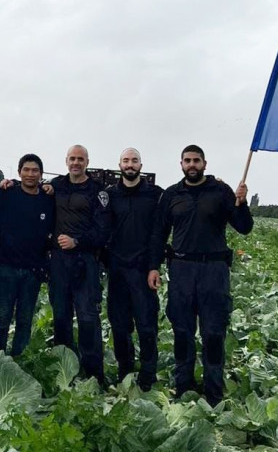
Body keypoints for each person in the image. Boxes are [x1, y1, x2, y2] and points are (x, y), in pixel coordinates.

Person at [149, 144, 253, 407]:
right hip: (182, 269)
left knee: (214, 332)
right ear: (181, 164)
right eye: (187, 160)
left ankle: (214, 392)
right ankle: (183, 387)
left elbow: (244, 228)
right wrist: (154, 266)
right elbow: (159, 234)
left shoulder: (221, 191)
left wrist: (241, 203)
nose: (192, 165)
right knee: (182, 331)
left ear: (205, 164)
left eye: (196, 160)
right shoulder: (172, 195)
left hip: (214, 270)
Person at [95, 148, 163, 391]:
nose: (130, 165)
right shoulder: (109, 195)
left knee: (147, 326)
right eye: (126, 161)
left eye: (134, 161)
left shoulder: (156, 195)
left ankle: (147, 376)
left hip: (144, 271)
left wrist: (155, 265)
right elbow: (101, 230)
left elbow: (160, 233)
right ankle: (125, 371)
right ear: (119, 165)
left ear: (141, 165)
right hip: (118, 271)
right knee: (119, 326)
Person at [48, 144, 105, 385]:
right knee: (61, 316)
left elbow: (103, 231)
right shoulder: (57, 186)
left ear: (87, 162)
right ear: (66, 161)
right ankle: (65, 371)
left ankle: (93, 375)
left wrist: (77, 241)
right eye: (72, 158)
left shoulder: (97, 191)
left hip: (86, 261)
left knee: (87, 318)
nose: (76, 163)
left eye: (80, 159)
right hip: (59, 262)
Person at [0, 154, 55, 356]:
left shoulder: (47, 200)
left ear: (41, 174)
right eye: (26, 170)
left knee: (25, 319)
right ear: (19, 172)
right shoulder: (7, 194)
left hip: (33, 270)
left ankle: (19, 357)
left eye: (35, 170)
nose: (30, 174)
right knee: (2, 316)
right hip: (7, 267)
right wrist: (4, 184)